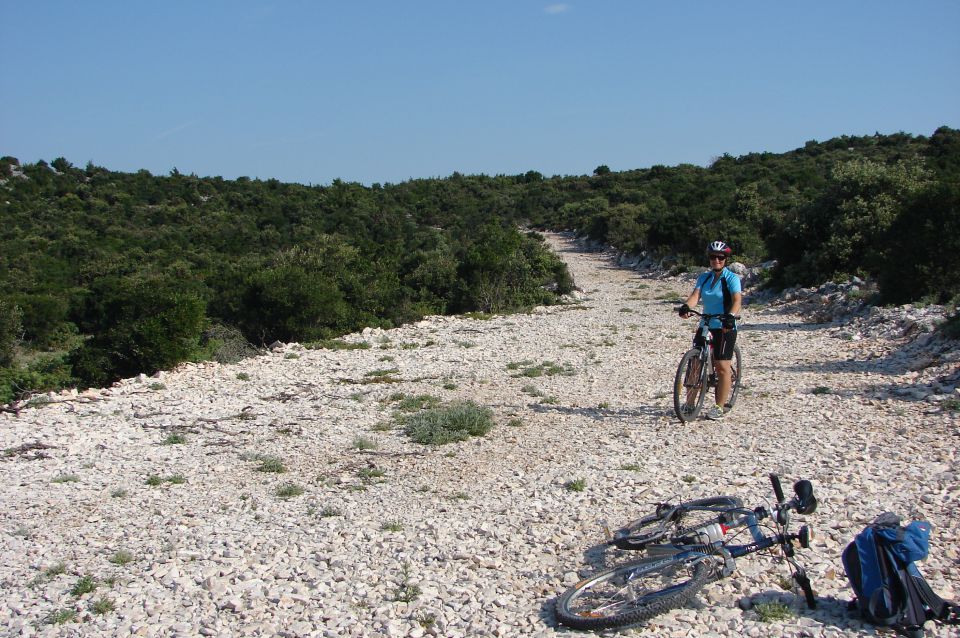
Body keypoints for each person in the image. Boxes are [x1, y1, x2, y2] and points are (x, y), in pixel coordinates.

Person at [678, 241, 742, 420]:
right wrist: (686, 307)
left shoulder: (731, 278)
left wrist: (731, 315)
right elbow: (695, 296)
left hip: (724, 325)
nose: (716, 260)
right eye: (713, 257)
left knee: (722, 366)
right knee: (695, 364)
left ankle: (719, 406)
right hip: (706, 324)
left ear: (726, 259)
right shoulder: (704, 278)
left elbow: (737, 300)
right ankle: (690, 404)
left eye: (720, 257)